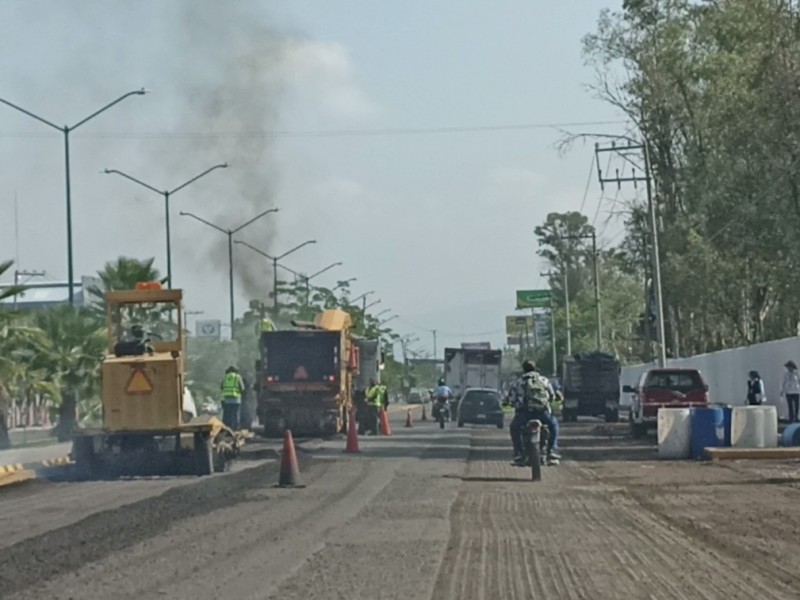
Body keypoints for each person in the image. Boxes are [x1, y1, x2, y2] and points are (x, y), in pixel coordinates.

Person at [506, 360, 561, 465]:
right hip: (543, 413)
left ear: (524, 369)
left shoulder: (519, 382)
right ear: (536, 368)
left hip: (524, 413)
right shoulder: (544, 380)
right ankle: (552, 450)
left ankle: (519, 453)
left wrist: (510, 403)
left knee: (514, 428)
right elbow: (552, 396)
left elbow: (511, 399)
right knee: (554, 425)